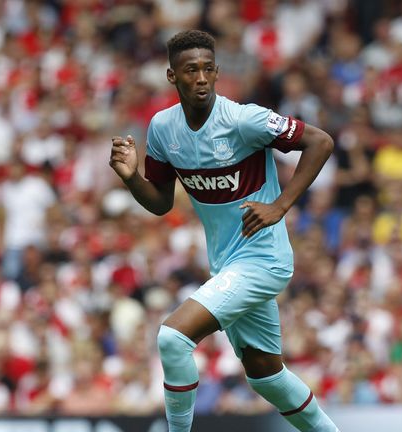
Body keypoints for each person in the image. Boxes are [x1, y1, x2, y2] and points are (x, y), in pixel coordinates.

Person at [109, 30, 339, 432]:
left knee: (172, 338)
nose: (200, 78)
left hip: (263, 260)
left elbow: (320, 141)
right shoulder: (163, 128)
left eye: (207, 69)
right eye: (190, 70)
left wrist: (280, 206)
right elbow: (162, 202)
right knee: (265, 374)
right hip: (227, 264)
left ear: (217, 73)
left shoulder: (243, 119)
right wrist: (131, 179)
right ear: (171, 76)